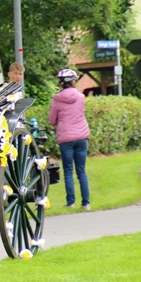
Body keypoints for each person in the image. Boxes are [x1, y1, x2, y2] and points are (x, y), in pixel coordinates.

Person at [49, 69, 91, 211]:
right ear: (73, 81)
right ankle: (86, 203)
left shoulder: (57, 99)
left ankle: (70, 203)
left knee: (68, 171)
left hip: (66, 138)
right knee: (81, 171)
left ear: (60, 83)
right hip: (82, 136)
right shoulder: (81, 97)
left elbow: (52, 120)